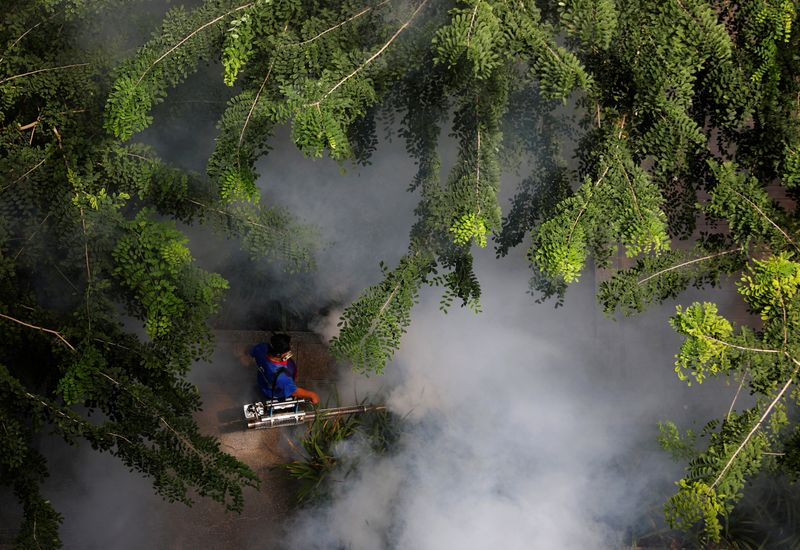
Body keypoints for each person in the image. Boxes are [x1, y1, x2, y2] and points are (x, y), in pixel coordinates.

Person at [251, 333, 320, 404]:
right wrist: (312, 395)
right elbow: (294, 392)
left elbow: (250, 350)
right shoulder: (282, 377)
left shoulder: (261, 349)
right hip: (275, 394)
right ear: (283, 354)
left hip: (263, 383)